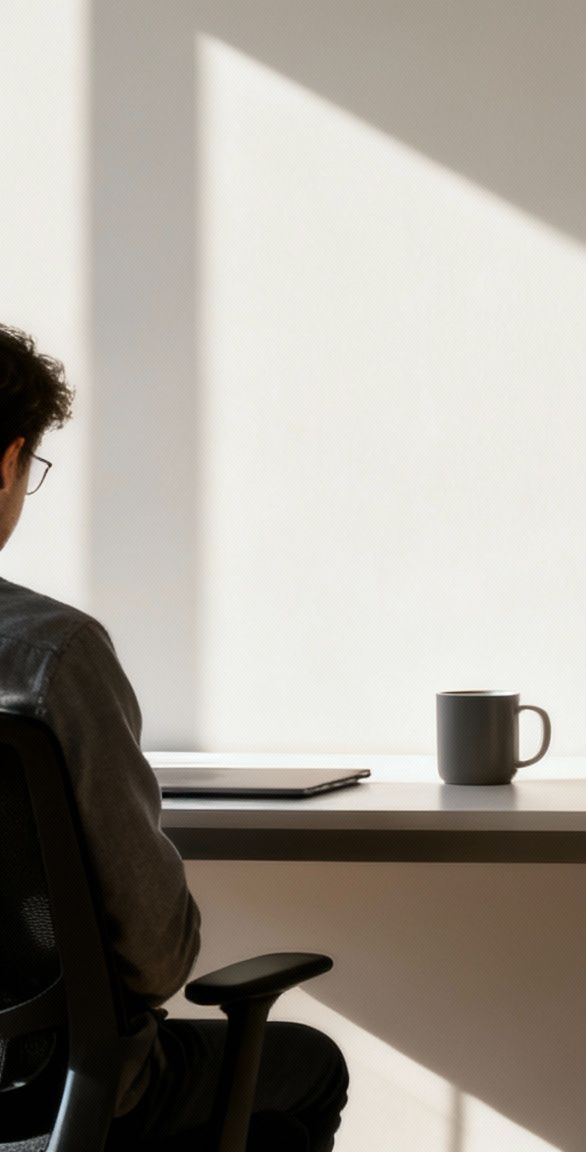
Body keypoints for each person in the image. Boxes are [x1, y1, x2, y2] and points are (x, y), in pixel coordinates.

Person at [0, 324, 347, 1150]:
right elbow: (159, 958)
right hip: (39, 1092)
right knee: (309, 1069)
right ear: (7, 461)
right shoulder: (55, 657)